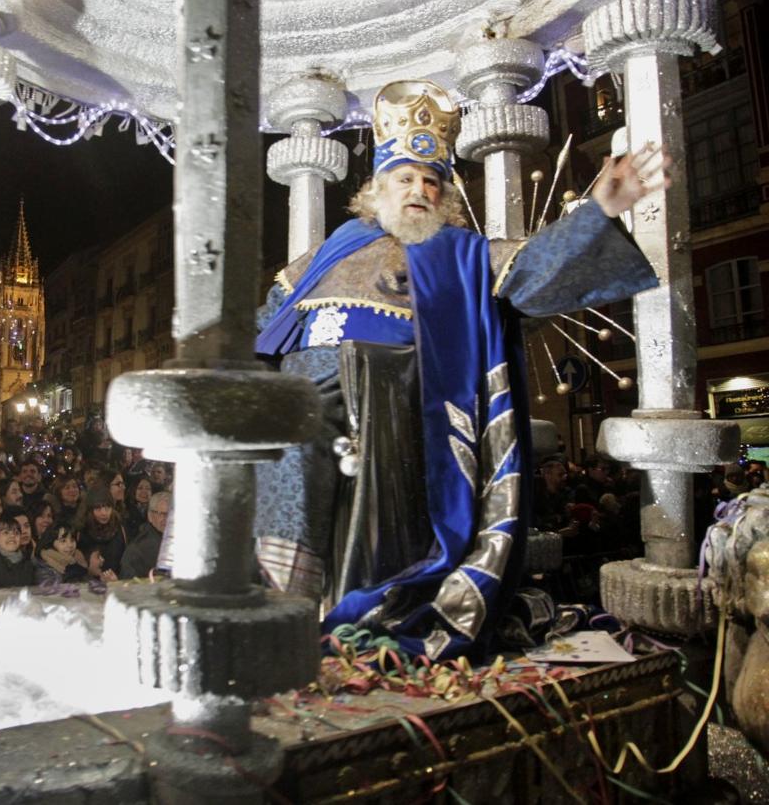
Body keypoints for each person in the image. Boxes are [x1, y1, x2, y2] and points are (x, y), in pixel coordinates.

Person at [254, 79, 666, 659]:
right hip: (303, 400)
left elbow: (534, 271)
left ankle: (288, 597)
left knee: (299, 417)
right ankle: (249, 588)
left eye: (431, 181)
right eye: (405, 179)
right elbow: (263, 332)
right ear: (375, 191)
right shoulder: (324, 256)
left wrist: (599, 211)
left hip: (396, 412)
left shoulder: (463, 253)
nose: (419, 189)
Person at [120, 491, 170, 579]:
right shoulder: (136, 550)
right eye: (162, 514)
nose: (166, 519)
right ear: (150, 516)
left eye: (170, 514)